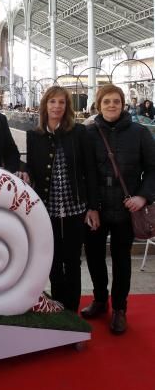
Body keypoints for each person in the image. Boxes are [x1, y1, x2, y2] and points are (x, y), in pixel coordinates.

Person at [82, 84, 155, 333]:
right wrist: (90, 206)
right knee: (94, 257)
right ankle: (101, 299)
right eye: (106, 102)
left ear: (123, 104)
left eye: (116, 101)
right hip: (97, 208)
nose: (111, 105)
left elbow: (153, 169)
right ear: (98, 105)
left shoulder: (140, 132)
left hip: (126, 208)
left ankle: (120, 308)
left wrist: (143, 197)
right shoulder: (89, 134)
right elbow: (84, 172)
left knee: (122, 260)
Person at [26, 86, 99, 312]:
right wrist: (22, 170)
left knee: (73, 260)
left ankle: (72, 309)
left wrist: (93, 207)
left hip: (75, 207)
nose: (57, 106)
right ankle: (59, 307)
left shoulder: (79, 132)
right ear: (45, 105)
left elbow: (90, 170)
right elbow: (31, 168)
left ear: (67, 107)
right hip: (47, 209)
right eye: (52, 102)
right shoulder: (34, 136)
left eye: (61, 102)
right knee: (53, 260)